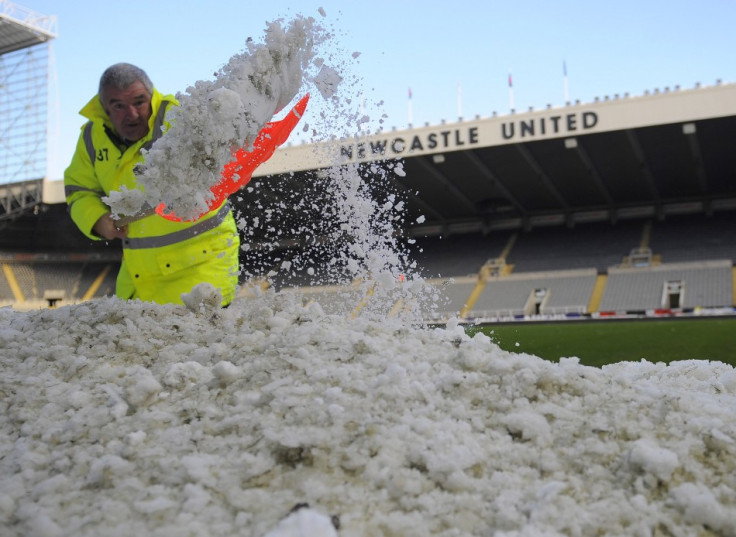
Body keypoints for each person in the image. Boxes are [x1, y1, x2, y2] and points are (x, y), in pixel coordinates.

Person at [64, 63, 240, 306]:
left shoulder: (179, 116)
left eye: (139, 102)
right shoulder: (90, 138)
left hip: (203, 266)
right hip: (138, 277)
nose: (133, 114)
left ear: (151, 95)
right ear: (105, 109)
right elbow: (78, 189)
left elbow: (221, 153)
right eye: (119, 106)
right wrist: (96, 219)